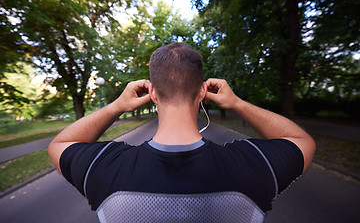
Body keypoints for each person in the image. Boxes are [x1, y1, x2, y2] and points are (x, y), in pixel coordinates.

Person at [48, 42, 315, 222]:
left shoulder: (105, 166)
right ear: (202, 91)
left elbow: (61, 144)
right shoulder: (253, 164)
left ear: (152, 92)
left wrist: (118, 106)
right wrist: (236, 103)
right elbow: (301, 141)